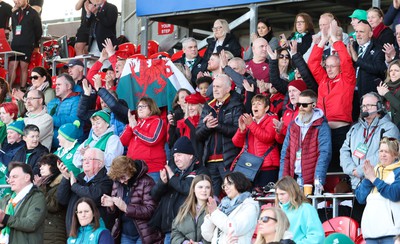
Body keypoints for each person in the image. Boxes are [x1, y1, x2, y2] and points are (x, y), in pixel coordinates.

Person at [308, 20, 356, 172]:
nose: (328, 69)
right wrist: (323, 39)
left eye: (332, 66)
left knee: (341, 169)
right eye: (326, 66)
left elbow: (347, 59)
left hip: (342, 131)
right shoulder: (323, 80)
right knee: (325, 168)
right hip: (323, 131)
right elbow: (312, 63)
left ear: (340, 67)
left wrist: (335, 39)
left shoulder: (347, 79)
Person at [149, 136, 209, 244]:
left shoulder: (200, 171)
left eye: (179, 155)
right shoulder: (173, 172)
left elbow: (189, 189)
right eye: (174, 156)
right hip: (169, 229)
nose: (176, 159)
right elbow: (154, 195)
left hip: (188, 231)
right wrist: (162, 183)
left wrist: (172, 178)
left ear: (190, 155)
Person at [196, 74, 243, 195]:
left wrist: (217, 125)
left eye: (218, 87)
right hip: (210, 160)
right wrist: (207, 127)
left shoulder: (236, 104)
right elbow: (197, 135)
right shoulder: (208, 106)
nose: (215, 89)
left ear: (228, 89)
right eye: (214, 86)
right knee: (212, 198)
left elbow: (238, 130)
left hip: (228, 159)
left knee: (233, 194)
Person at [101, 156, 163, 243]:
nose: (121, 181)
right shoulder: (117, 183)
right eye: (118, 178)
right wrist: (111, 207)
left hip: (143, 233)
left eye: (123, 177)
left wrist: (126, 208)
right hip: (125, 233)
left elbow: (151, 210)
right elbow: (115, 215)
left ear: (130, 170)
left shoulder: (146, 181)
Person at [280, 89, 332, 186]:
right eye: (299, 104)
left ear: (314, 105)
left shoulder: (321, 126)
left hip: (311, 182)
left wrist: (318, 181)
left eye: (304, 105)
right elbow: (285, 154)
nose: (301, 108)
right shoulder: (293, 126)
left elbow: (324, 154)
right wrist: (283, 181)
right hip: (293, 180)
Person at [355, 137, 400, 244]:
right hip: (371, 233)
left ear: (395, 154)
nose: (383, 155)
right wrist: (367, 179)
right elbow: (360, 198)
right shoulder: (373, 171)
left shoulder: (398, 171)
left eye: (387, 152)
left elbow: (394, 194)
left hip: (391, 233)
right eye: (381, 151)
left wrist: (374, 179)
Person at [57, 148, 113, 234]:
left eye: (90, 159)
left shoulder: (107, 180)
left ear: (100, 163)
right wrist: (65, 178)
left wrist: (75, 186)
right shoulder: (79, 178)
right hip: (74, 232)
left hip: (94, 234)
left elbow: (95, 196)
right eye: (84, 159)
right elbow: (62, 199)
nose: (86, 162)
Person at [232, 94, 280, 186]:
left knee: (265, 196)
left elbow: (267, 137)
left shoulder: (272, 118)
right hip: (249, 167)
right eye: (253, 104)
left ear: (266, 108)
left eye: (259, 104)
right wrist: (241, 130)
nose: (255, 106)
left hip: (266, 167)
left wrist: (251, 124)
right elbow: (236, 143)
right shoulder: (250, 121)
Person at [201, 172, 260, 243]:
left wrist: (215, 213)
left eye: (229, 184)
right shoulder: (223, 205)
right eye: (224, 185)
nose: (226, 187)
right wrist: (211, 215)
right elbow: (208, 236)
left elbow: (234, 229)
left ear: (239, 183)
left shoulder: (249, 205)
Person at [120, 97, 167, 182]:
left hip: (152, 170)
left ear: (151, 108)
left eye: (143, 106)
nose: (140, 109)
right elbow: (122, 141)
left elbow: (152, 139)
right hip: (134, 170)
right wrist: (130, 127)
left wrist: (135, 128)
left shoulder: (157, 121)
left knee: (151, 195)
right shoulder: (136, 123)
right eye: (139, 107)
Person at [0, 162, 46, 243]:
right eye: (10, 177)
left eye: (14, 177)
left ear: (27, 177)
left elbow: (32, 224)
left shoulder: (37, 197)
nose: (10, 181)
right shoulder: (7, 199)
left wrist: (5, 218)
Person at [349, 19, 386, 119]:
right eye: (356, 31)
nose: (358, 34)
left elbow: (378, 69)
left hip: (368, 95)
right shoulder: (352, 46)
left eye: (362, 32)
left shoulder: (378, 49)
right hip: (351, 94)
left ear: (370, 34)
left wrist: (357, 60)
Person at [275, 176, 325, 244]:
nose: (279, 198)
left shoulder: (306, 209)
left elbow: (317, 237)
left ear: (292, 192)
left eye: (282, 194)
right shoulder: (277, 210)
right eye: (277, 194)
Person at [8, 0, 42, 89]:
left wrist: (33, 42)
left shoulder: (33, 13)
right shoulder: (15, 13)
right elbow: (14, 28)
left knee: (24, 67)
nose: (16, 1)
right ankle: (8, 89)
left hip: (27, 44)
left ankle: (22, 88)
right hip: (15, 44)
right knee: (12, 66)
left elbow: (39, 31)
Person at [171, 174, 213, 244]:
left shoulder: (215, 209)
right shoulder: (184, 208)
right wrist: (185, 242)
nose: (204, 190)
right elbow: (175, 231)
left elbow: (218, 234)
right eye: (200, 187)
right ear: (193, 189)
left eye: (207, 187)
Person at [35, 154, 67, 244]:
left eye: (44, 165)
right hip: (44, 232)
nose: (41, 168)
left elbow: (54, 206)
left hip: (54, 233)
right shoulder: (45, 184)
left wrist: (40, 187)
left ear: (54, 166)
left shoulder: (62, 183)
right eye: (40, 166)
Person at [47, 74, 83, 149]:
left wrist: (51, 119)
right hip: (50, 143)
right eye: (56, 85)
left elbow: (74, 120)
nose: (56, 87)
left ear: (68, 86)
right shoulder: (52, 102)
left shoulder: (77, 101)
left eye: (59, 84)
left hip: (68, 144)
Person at [169, 93, 206, 161]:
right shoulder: (182, 123)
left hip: (200, 158)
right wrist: (172, 126)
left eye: (193, 105)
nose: (190, 108)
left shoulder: (204, 121)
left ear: (200, 106)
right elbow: (172, 143)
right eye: (188, 105)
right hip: (185, 160)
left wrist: (188, 122)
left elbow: (198, 138)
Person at [376, 60, 400, 129]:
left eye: (396, 70)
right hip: (384, 125)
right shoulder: (386, 86)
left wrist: (386, 93)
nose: (393, 73)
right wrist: (380, 95)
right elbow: (378, 108)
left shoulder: (386, 91)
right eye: (391, 70)